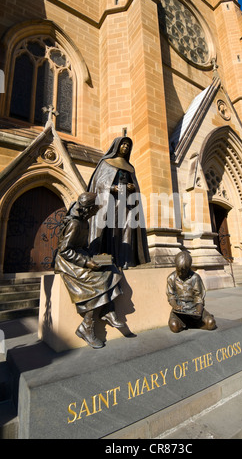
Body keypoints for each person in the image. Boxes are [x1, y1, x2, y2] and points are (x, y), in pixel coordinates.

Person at [54, 192, 124, 349]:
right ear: (88, 208)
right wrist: (87, 262)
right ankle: (86, 326)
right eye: (95, 208)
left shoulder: (84, 221)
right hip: (68, 262)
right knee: (97, 279)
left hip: (80, 256)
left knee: (110, 266)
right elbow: (64, 250)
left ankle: (107, 309)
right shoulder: (75, 223)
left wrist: (96, 258)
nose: (97, 210)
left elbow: (82, 246)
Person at [87, 136, 150, 269]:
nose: (126, 147)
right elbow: (98, 183)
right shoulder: (106, 162)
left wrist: (133, 188)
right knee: (111, 230)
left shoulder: (130, 167)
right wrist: (111, 188)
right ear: (117, 146)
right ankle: (109, 259)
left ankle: (125, 260)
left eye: (128, 145)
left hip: (127, 204)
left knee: (126, 230)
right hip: (110, 203)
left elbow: (135, 185)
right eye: (123, 144)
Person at [167, 251, 216, 333]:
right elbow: (171, 296)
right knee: (174, 326)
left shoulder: (195, 277)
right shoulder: (171, 278)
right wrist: (175, 306)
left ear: (189, 268)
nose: (181, 273)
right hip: (180, 311)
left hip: (194, 309)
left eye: (184, 271)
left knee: (211, 323)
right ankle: (185, 323)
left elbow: (199, 297)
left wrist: (199, 311)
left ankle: (193, 322)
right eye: (179, 270)